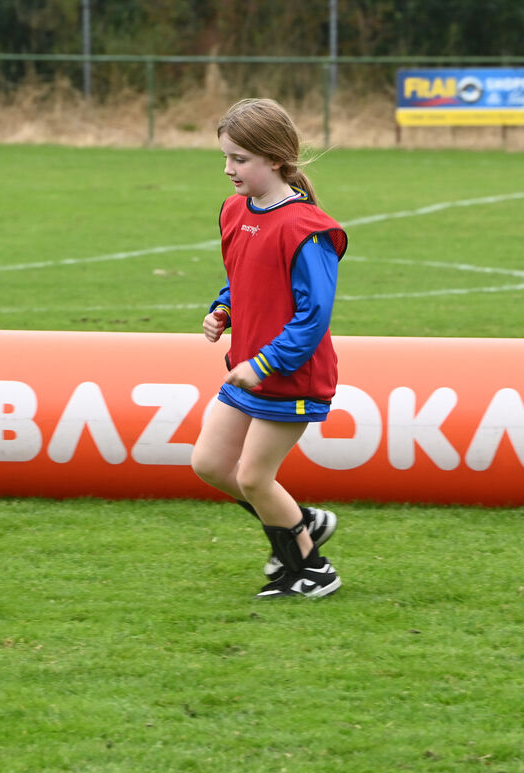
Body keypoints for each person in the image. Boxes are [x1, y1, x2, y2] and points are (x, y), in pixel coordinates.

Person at [190, 98, 346, 599]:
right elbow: (243, 278)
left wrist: (266, 362)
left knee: (256, 477)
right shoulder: (234, 211)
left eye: (240, 159)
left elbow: (313, 316)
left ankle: (313, 570)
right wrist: (223, 311)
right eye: (226, 157)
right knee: (210, 465)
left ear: (275, 159)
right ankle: (298, 522)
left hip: (290, 376)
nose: (229, 169)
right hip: (248, 371)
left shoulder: (309, 230)